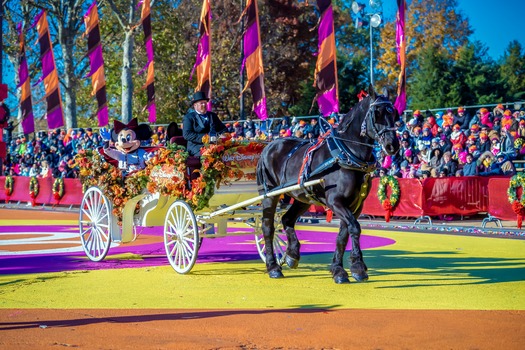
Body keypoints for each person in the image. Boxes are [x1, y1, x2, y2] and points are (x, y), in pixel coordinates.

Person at [182, 92, 226, 156]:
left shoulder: (212, 115)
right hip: (196, 147)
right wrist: (206, 138)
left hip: (214, 144)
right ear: (195, 105)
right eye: (201, 103)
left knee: (228, 152)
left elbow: (223, 129)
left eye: (205, 103)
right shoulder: (189, 117)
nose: (204, 105)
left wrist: (222, 135)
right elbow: (187, 134)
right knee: (210, 155)